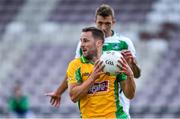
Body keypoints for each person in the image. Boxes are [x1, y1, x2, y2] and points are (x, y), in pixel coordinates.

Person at [46, 4, 141, 118]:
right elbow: (75, 71)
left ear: (113, 22)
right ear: (95, 21)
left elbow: (136, 74)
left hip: (118, 100)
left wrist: (131, 65)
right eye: (100, 23)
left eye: (107, 24)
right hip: (93, 100)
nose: (103, 27)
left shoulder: (124, 42)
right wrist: (59, 92)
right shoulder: (84, 45)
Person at [67, 26, 135, 118]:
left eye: (85, 41)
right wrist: (92, 78)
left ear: (98, 43)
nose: (82, 44)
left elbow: (130, 95)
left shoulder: (114, 61)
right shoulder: (75, 65)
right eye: (81, 41)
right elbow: (73, 97)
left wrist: (130, 75)